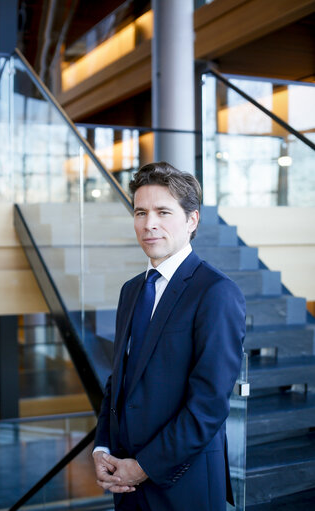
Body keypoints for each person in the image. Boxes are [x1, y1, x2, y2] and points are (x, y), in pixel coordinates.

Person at [92, 161, 246, 511]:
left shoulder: (216, 292)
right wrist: (103, 448)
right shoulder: (131, 290)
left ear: (192, 220)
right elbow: (119, 381)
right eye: (140, 212)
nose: (149, 224)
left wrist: (143, 467)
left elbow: (208, 405)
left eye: (163, 211)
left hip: (182, 484)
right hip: (126, 483)